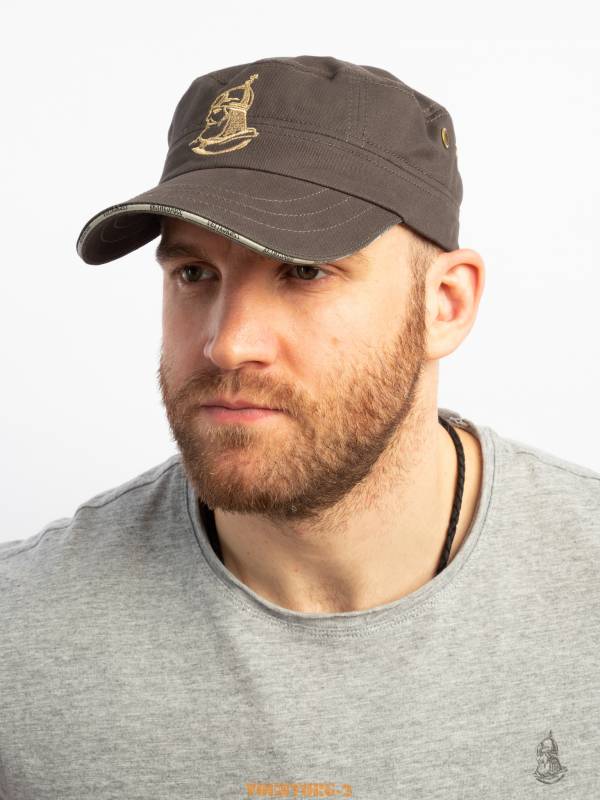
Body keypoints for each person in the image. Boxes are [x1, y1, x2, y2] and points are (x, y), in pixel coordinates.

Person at [1, 55, 598, 799]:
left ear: (445, 305)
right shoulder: (21, 637)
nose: (228, 343)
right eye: (194, 274)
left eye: (304, 271)